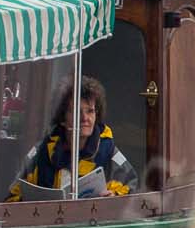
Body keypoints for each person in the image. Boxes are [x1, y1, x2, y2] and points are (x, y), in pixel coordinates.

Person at [8, 76, 136, 199]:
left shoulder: (109, 151)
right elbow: (14, 195)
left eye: (90, 111)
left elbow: (131, 189)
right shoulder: (40, 151)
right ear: (62, 118)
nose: (85, 118)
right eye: (77, 112)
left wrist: (113, 197)